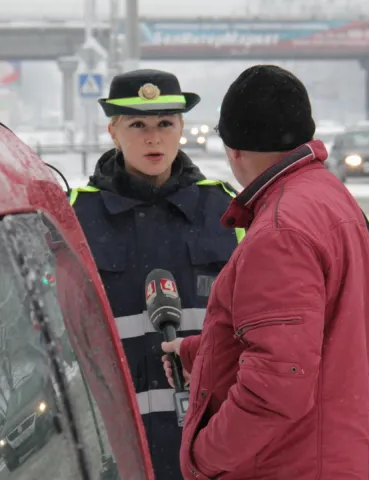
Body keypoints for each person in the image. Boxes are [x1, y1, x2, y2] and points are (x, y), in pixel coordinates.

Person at [161, 65, 369, 479]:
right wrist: (199, 355)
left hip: (283, 466)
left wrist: (202, 458)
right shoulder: (329, 198)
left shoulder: (279, 230)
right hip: (328, 454)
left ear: (234, 150)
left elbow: (277, 387)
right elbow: (315, 338)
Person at [69, 69, 244, 479]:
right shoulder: (77, 215)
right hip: (120, 447)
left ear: (181, 127)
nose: (154, 137)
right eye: (138, 125)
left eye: (166, 123)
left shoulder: (226, 209)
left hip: (213, 442)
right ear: (113, 131)